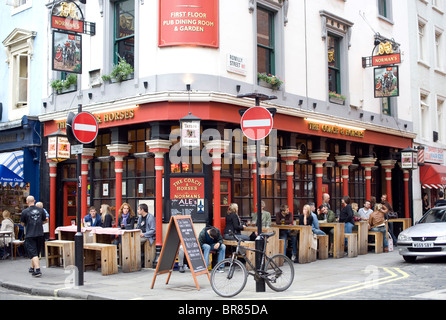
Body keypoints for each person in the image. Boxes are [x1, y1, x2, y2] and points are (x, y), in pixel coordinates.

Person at [20, 196, 47, 277]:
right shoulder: (41, 210)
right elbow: (45, 220)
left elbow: (22, 223)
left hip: (30, 234)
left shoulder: (25, 212)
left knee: (33, 252)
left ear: (27, 201)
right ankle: (32, 267)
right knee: (36, 252)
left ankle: (38, 270)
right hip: (40, 233)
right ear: (34, 201)